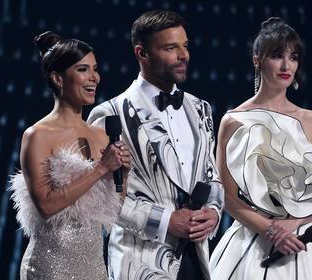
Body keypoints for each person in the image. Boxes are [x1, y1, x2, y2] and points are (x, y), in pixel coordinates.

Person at [87, 10, 224, 280]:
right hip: (140, 264)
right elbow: (101, 201)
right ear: (142, 53)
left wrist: (215, 213)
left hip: (197, 258)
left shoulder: (201, 109)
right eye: (170, 48)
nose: (183, 55)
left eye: (185, 46)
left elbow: (212, 175)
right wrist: (166, 222)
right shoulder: (109, 114)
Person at [209, 17, 312, 279]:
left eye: (293, 57)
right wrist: (271, 230)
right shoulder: (233, 120)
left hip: (305, 242)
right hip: (252, 239)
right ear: (257, 59)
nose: (287, 65)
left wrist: (293, 223)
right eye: (277, 55)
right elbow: (226, 196)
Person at [9, 31, 131, 280]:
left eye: (95, 69)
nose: (94, 77)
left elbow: (113, 210)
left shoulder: (100, 135)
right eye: (83, 69)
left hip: (94, 266)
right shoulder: (38, 135)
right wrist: (100, 169)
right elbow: (46, 205)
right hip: (50, 267)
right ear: (58, 78)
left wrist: (123, 175)